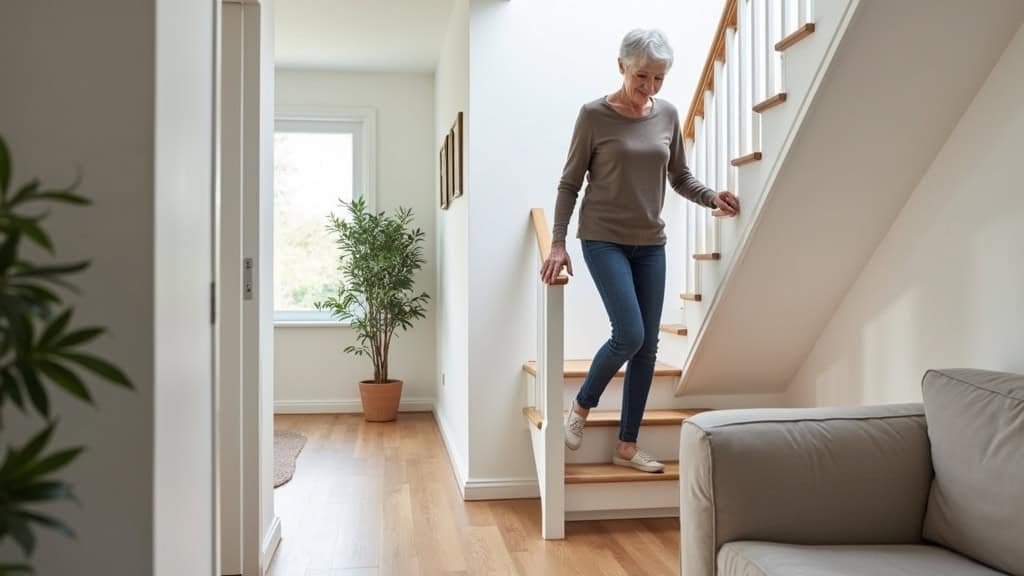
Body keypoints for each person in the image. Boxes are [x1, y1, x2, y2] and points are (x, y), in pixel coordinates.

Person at [539, 28, 740, 473]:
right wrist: (557, 241)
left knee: (647, 348)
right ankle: (581, 406)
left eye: (659, 78)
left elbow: (680, 176)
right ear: (621, 67)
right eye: (641, 76)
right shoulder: (593, 116)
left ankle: (626, 446)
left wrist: (712, 198)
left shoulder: (666, 114)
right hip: (602, 237)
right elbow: (570, 182)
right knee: (629, 333)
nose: (649, 87)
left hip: (650, 242)